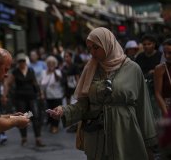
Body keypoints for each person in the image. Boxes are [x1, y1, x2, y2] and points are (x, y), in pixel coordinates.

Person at [48, 27, 158, 159]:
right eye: (89, 48)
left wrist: (149, 143)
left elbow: (143, 107)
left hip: (125, 134)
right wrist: (63, 111)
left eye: (96, 47)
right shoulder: (91, 68)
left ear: (108, 44)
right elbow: (84, 104)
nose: (92, 52)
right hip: (97, 138)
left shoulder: (132, 69)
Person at [2, 53, 45, 147]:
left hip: (31, 97)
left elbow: (35, 83)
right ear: (18, 62)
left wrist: (40, 93)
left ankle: (38, 138)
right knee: (23, 117)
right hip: (20, 99)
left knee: (35, 116)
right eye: (20, 61)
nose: (22, 63)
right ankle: (24, 138)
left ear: (26, 61)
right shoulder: (15, 72)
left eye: (23, 61)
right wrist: (5, 95)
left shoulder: (30, 70)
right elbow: (8, 83)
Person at [135, 34, 163, 120]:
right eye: (144, 44)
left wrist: (155, 71)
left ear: (154, 44)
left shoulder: (160, 55)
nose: (146, 46)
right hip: (143, 85)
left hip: (157, 86)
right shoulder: (140, 57)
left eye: (149, 44)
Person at [41, 56, 64, 134]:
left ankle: (55, 126)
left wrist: (53, 71)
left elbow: (58, 79)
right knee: (49, 112)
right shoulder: (43, 72)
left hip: (57, 96)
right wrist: (42, 93)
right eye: (49, 63)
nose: (50, 64)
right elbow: (42, 85)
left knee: (56, 112)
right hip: (48, 96)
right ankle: (51, 124)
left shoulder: (58, 72)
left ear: (55, 64)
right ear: (47, 64)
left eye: (52, 63)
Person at [154, 38, 171, 117]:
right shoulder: (160, 69)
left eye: (170, 53)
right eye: (165, 53)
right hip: (167, 108)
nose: (167, 56)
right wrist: (166, 114)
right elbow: (158, 94)